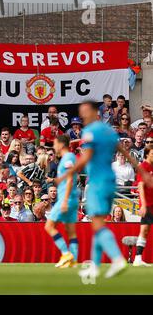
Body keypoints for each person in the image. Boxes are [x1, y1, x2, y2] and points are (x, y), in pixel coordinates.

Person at [56, 101, 152, 279]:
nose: (82, 114)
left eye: (85, 111)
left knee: (98, 225)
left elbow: (86, 157)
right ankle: (95, 266)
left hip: (98, 183)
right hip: (110, 181)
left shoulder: (91, 131)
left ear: (95, 112)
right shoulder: (109, 131)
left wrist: (65, 174)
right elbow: (124, 152)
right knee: (98, 223)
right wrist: (142, 172)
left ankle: (117, 259)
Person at [44, 135, 79, 268]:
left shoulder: (68, 158)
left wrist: (64, 200)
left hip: (67, 198)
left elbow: (70, 179)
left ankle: (66, 253)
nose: (54, 147)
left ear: (61, 144)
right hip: (71, 198)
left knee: (49, 226)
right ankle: (73, 261)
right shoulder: (67, 158)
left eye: (55, 144)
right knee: (71, 231)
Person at [133, 145, 153, 267]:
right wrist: (143, 205)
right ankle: (138, 258)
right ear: (147, 154)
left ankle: (137, 258)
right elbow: (140, 187)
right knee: (144, 230)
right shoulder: (143, 167)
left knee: (145, 230)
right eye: (152, 153)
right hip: (149, 204)